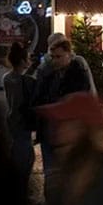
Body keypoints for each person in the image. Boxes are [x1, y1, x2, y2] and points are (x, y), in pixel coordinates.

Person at [33, 38, 93, 179]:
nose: (55, 60)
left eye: (59, 57)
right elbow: (39, 98)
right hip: (49, 131)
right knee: (51, 174)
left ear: (69, 54)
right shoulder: (49, 75)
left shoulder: (78, 75)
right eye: (53, 57)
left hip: (68, 132)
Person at [2, 41, 38, 191]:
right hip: (23, 121)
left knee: (15, 151)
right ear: (23, 61)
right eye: (27, 58)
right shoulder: (28, 81)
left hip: (11, 119)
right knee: (25, 155)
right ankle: (21, 188)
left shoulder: (6, 78)